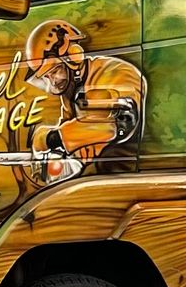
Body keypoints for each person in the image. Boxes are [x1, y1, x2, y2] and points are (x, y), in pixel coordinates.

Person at [21, 20, 145, 181]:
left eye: (55, 70)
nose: (53, 81)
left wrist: (51, 139)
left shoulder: (116, 72)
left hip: (125, 170)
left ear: (74, 55)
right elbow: (70, 124)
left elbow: (116, 123)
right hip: (99, 172)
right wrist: (62, 157)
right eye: (47, 76)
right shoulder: (71, 88)